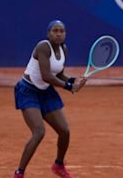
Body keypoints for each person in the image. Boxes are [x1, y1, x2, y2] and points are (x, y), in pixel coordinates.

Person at [13, 20, 87, 178]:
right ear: (48, 33)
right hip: (28, 91)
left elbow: (58, 74)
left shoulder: (64, 49)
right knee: (39, 132)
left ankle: (58, 165)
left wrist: (74, 80)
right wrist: (69, 87)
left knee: (64, 131)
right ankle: (19, 173)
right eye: (55, 30)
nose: (59, 33)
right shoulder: (43, 47)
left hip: (46, 92)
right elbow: (46, 76)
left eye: (62, 31)